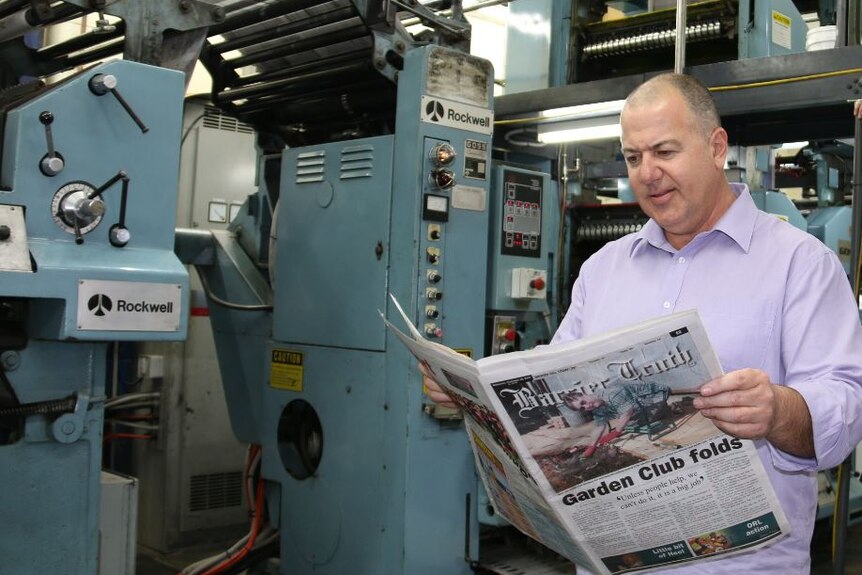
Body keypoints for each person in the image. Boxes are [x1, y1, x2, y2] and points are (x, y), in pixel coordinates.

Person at [425, 73, 862, 574]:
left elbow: (847, 401)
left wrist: (779, 410)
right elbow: (555, 382)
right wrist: (477, 392)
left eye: (665, 152)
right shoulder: (604, 269)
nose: (647, 172)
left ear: (716, 147)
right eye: (634, 157)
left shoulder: (799, 263)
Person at [563, 381, 672, 456]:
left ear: (584, 394)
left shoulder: (611, 394)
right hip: (640, 401)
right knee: (629, 424)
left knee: (633, 422)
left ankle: (665, 409)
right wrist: (592, 446)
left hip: (656, 394)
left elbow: (627, 413)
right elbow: (600, 427)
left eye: (583, 402)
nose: (587, 406)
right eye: (582, 408)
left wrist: (615, 433)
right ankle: (657, 412)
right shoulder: (596, 407)